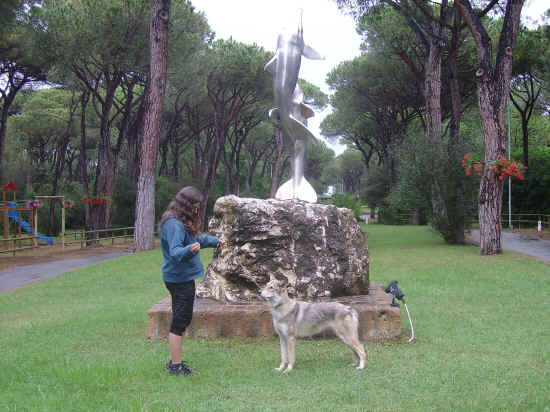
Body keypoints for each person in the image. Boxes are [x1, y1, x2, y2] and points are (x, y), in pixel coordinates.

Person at [158, 186, 222, 376]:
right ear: (185, 205)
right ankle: (175, 366)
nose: (196, 211)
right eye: (194, 207)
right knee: (180, 320)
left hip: (180, 278)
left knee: (182, 318)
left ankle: (175, 362)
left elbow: (195, 238)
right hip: (179, 279)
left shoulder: (177, 221)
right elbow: (176, 251)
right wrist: (190, 250)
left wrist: (215, 241)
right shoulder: (174, 224)